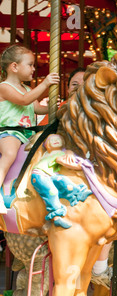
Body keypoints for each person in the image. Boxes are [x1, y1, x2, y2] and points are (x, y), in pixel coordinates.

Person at [0, 44, 59, 213]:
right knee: (10, 154)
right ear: (14, 66)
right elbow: (24, 100)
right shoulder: (4, 87)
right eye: (30, 64)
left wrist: (58, 106)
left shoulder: (27, 88)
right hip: (8, 132)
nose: (34, 69)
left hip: (27, 134)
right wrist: (46, 83)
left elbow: (37, 108)